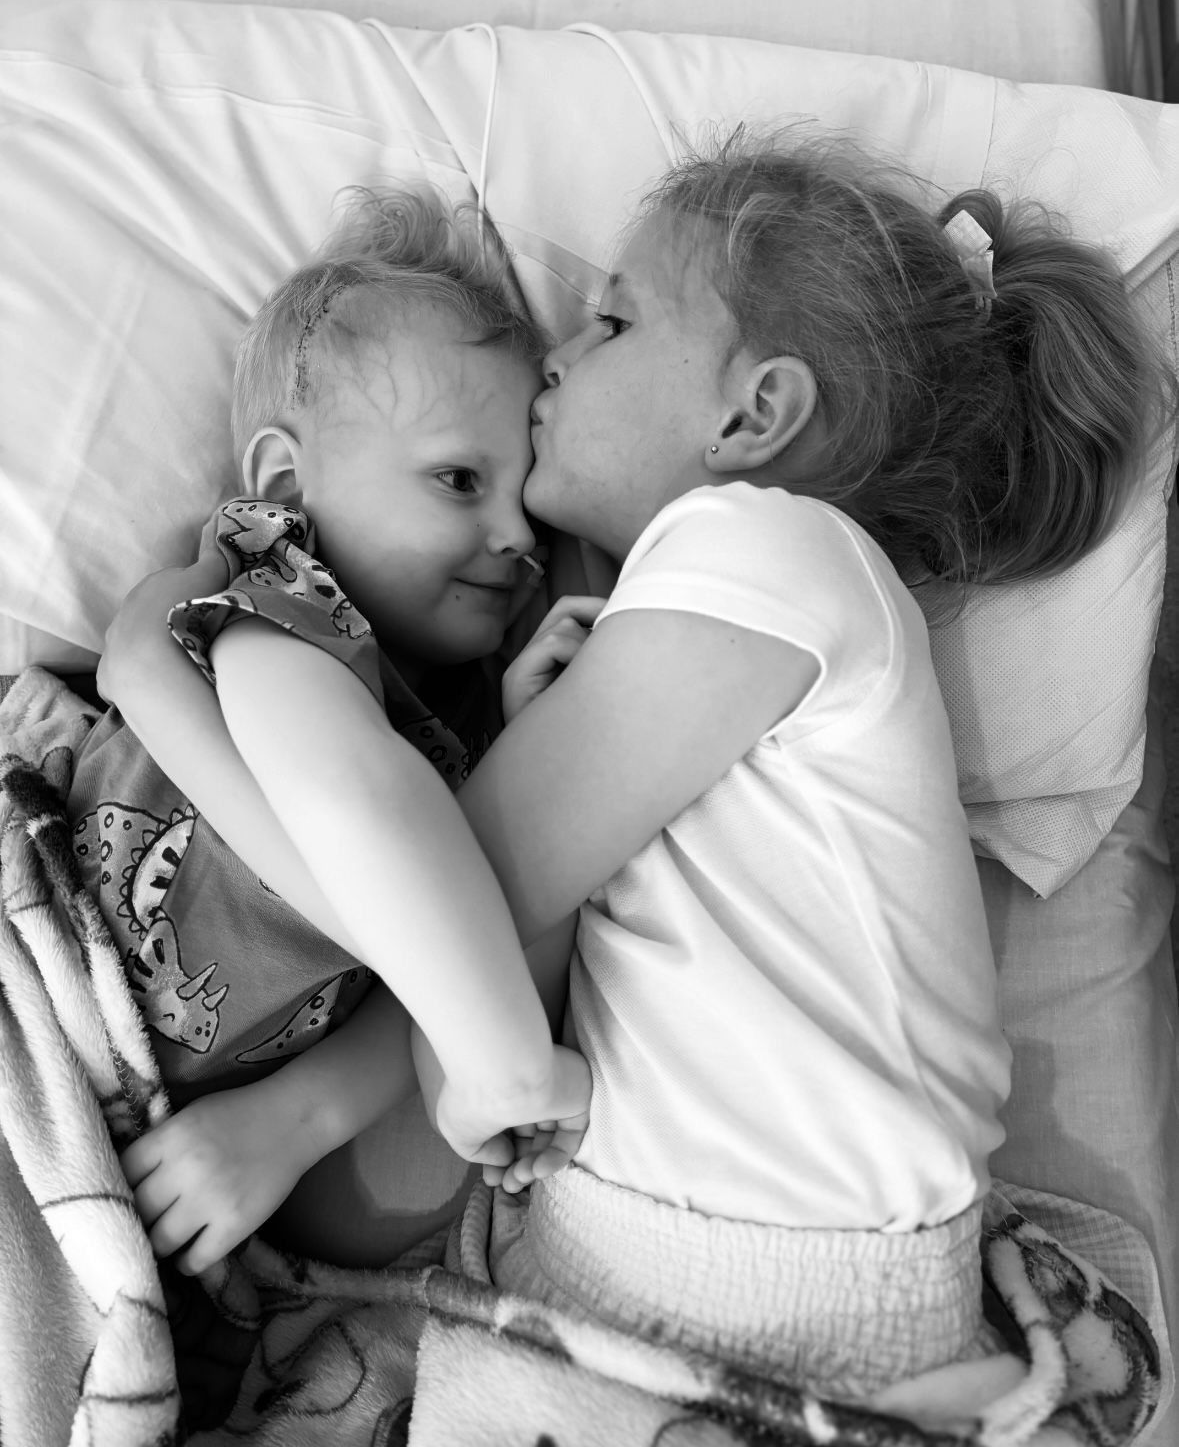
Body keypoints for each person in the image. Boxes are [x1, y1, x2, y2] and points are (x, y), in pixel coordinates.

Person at [100, 128, 1166, 1396]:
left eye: (610, 321)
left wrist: (155, 679)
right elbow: (456, 976)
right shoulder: (648, 636)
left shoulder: (771, 548)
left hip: (798, 1284)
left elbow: (431, 895)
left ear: (754, 413)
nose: (555, 354)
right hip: (631, 1274)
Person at [73, 182, 591, 1278]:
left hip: (141, 1150)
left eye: (534, 509)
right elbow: (388, 882)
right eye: (460, 480)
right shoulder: (271, 591)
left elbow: (447, 990)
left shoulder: (467, 725)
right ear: (285, 482)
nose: (517, 536)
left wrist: (289, 1121)